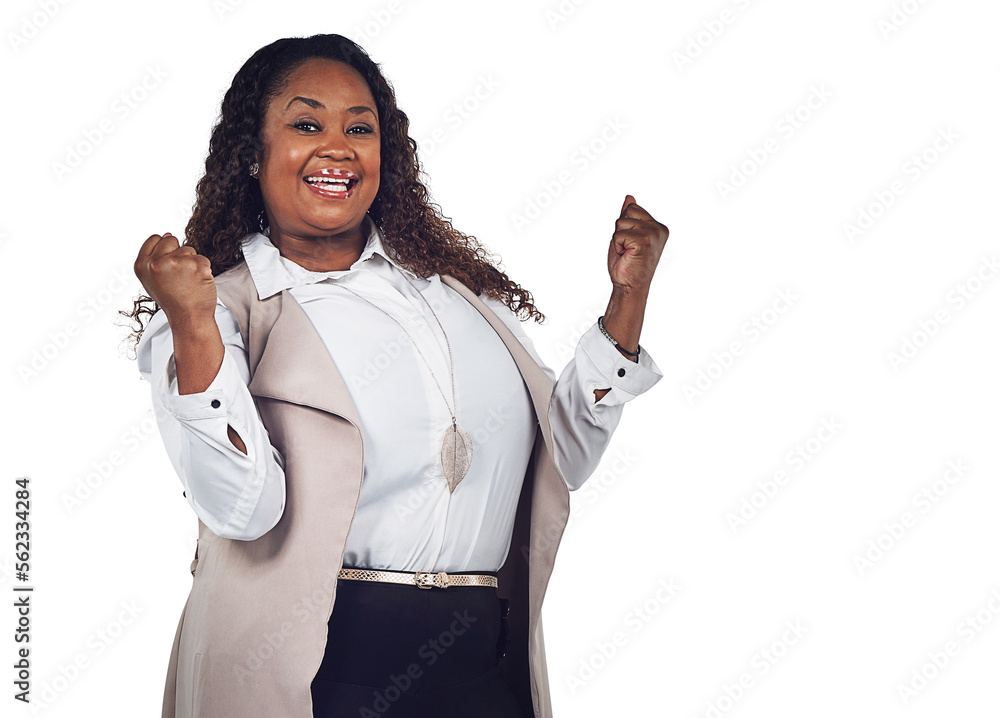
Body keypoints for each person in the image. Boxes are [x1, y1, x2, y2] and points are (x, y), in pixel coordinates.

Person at [125, 33, 668, 718]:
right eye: (305, 123)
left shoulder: (459, 296)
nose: (338, 146)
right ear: (252, 155)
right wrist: (194, 325)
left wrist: (629, 299)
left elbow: (562, 461)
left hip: (485, 667)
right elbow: (242, 510)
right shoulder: (221, 309)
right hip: (320, 671)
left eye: (360, 127)